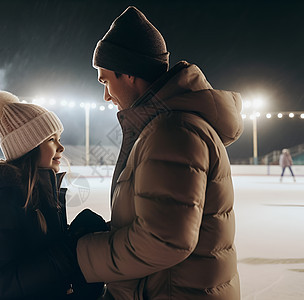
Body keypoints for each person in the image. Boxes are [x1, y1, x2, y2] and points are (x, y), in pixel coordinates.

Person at [71, 6, 243, 299]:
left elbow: (164, 240)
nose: (105, 94)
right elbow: (161, 220)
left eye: (105, 80)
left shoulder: (173, 132)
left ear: (128, 74)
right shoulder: (166, 127)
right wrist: (107, 233)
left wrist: (78, 257)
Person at [0, 90, 105, 300]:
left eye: (59, 139)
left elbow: (39, 257)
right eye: (51, 140)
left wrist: (80, 237)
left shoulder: (41, 197)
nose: (61, 147)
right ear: (28, 147)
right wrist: (69, 250)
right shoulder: (3, 206)